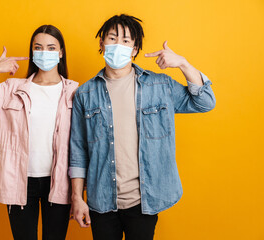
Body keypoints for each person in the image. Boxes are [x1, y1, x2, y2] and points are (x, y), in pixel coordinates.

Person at [69, 14, 216, 240]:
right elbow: (78, 151)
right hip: (102, 202)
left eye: (126, 41)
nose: (119, 45)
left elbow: (205, 102)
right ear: (101, 43)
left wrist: (183, 64)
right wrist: (77, 198)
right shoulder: (85, 94)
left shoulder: (160, 85)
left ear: (135, 48)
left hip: (144, 201)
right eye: (112, 38)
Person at [0, 25, 78, 240]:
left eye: (51, 48)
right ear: (32, 52)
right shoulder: (11, 88)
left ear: (61, 53)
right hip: (19, 180)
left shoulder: (74, 91)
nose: (44, 52)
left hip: (59, 180)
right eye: (38, 47)